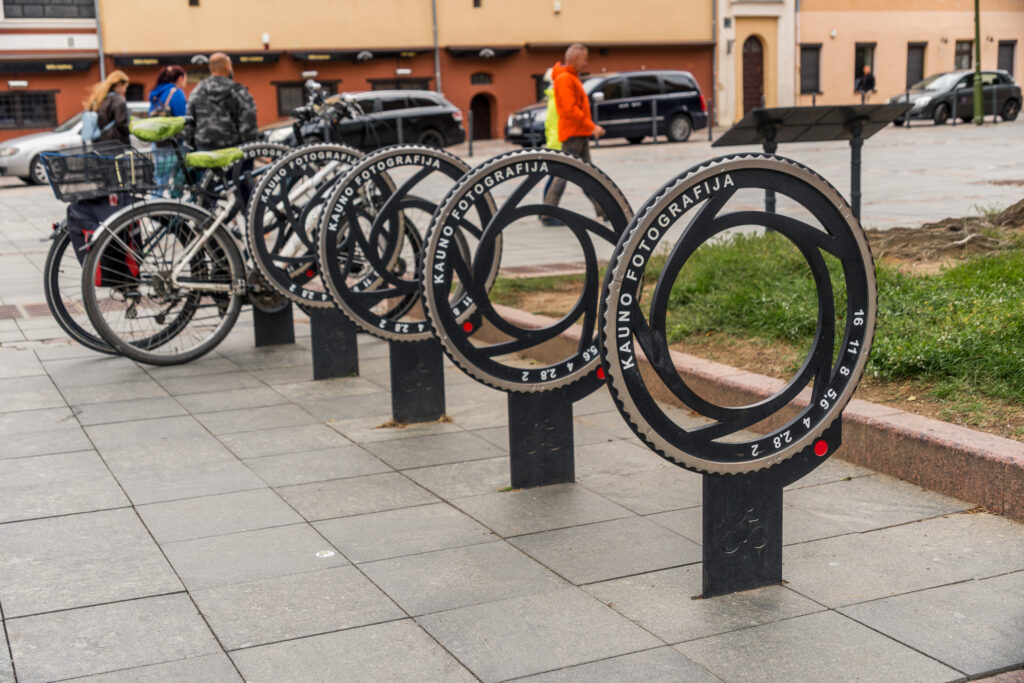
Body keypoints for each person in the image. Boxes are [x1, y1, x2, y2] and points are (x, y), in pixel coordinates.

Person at [65, 70, 132, 264]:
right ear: (119, 84)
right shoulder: (118, 101)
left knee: (108, 183)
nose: (125, 89)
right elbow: (122, 124)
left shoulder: (99, 99)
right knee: (120, 184)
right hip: (115, 146)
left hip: (100, 147)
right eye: (125, 85)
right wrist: (133, 126)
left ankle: (108, 211)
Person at [542, 43, 606, 226]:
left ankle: (603, 210)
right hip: (573, 135)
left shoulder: (570, 78)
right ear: (576, 58)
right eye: (585, 59)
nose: (586, 63)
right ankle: (548, 212)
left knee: (588, 175)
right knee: (563, 175)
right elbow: (571, 110)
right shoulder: (565, 79)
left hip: (578, 133)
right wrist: (592, 126)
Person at [185, 52, 258, 151]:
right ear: (226, 67)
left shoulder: (197, 91)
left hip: (204, 151)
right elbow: (249, 120)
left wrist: (191, 146)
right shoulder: (237, 91)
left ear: (211, 68)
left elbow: (189, 122)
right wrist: (249, 146)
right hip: (232, 151)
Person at [149, 65, 188, 196]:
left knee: (160, 180)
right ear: (180, 78)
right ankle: (172, 208)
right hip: (173, 143)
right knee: (178, 180)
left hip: (157, 142)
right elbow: (182, 120)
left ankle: (156, 209)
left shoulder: (156, 94)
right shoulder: (176, 93)